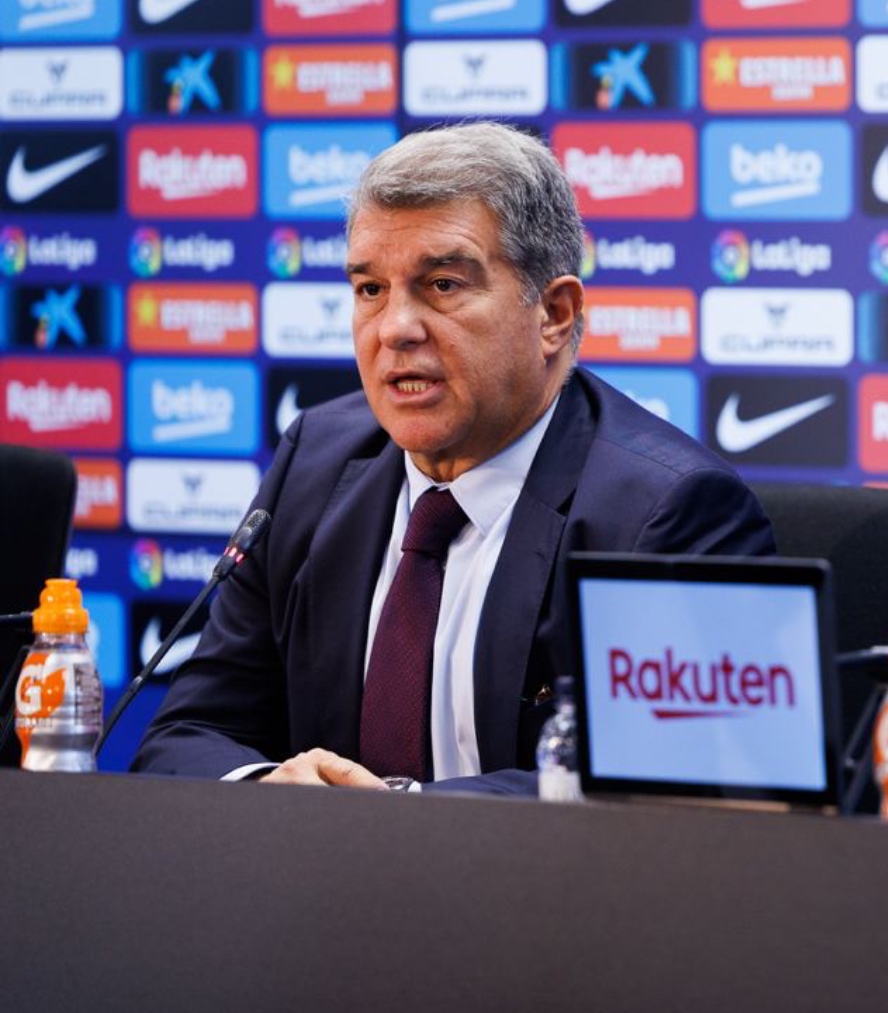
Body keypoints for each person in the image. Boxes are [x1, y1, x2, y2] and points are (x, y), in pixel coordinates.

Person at [133, 122, 774, 794]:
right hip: (315, 889)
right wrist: (271, 786)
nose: (395, 328)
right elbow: (186, 733)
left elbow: (670, 784)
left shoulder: (669, 514)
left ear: (554, 313)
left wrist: (399, 817)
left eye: (441, 285)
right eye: (370, 289)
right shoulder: (313, 464)